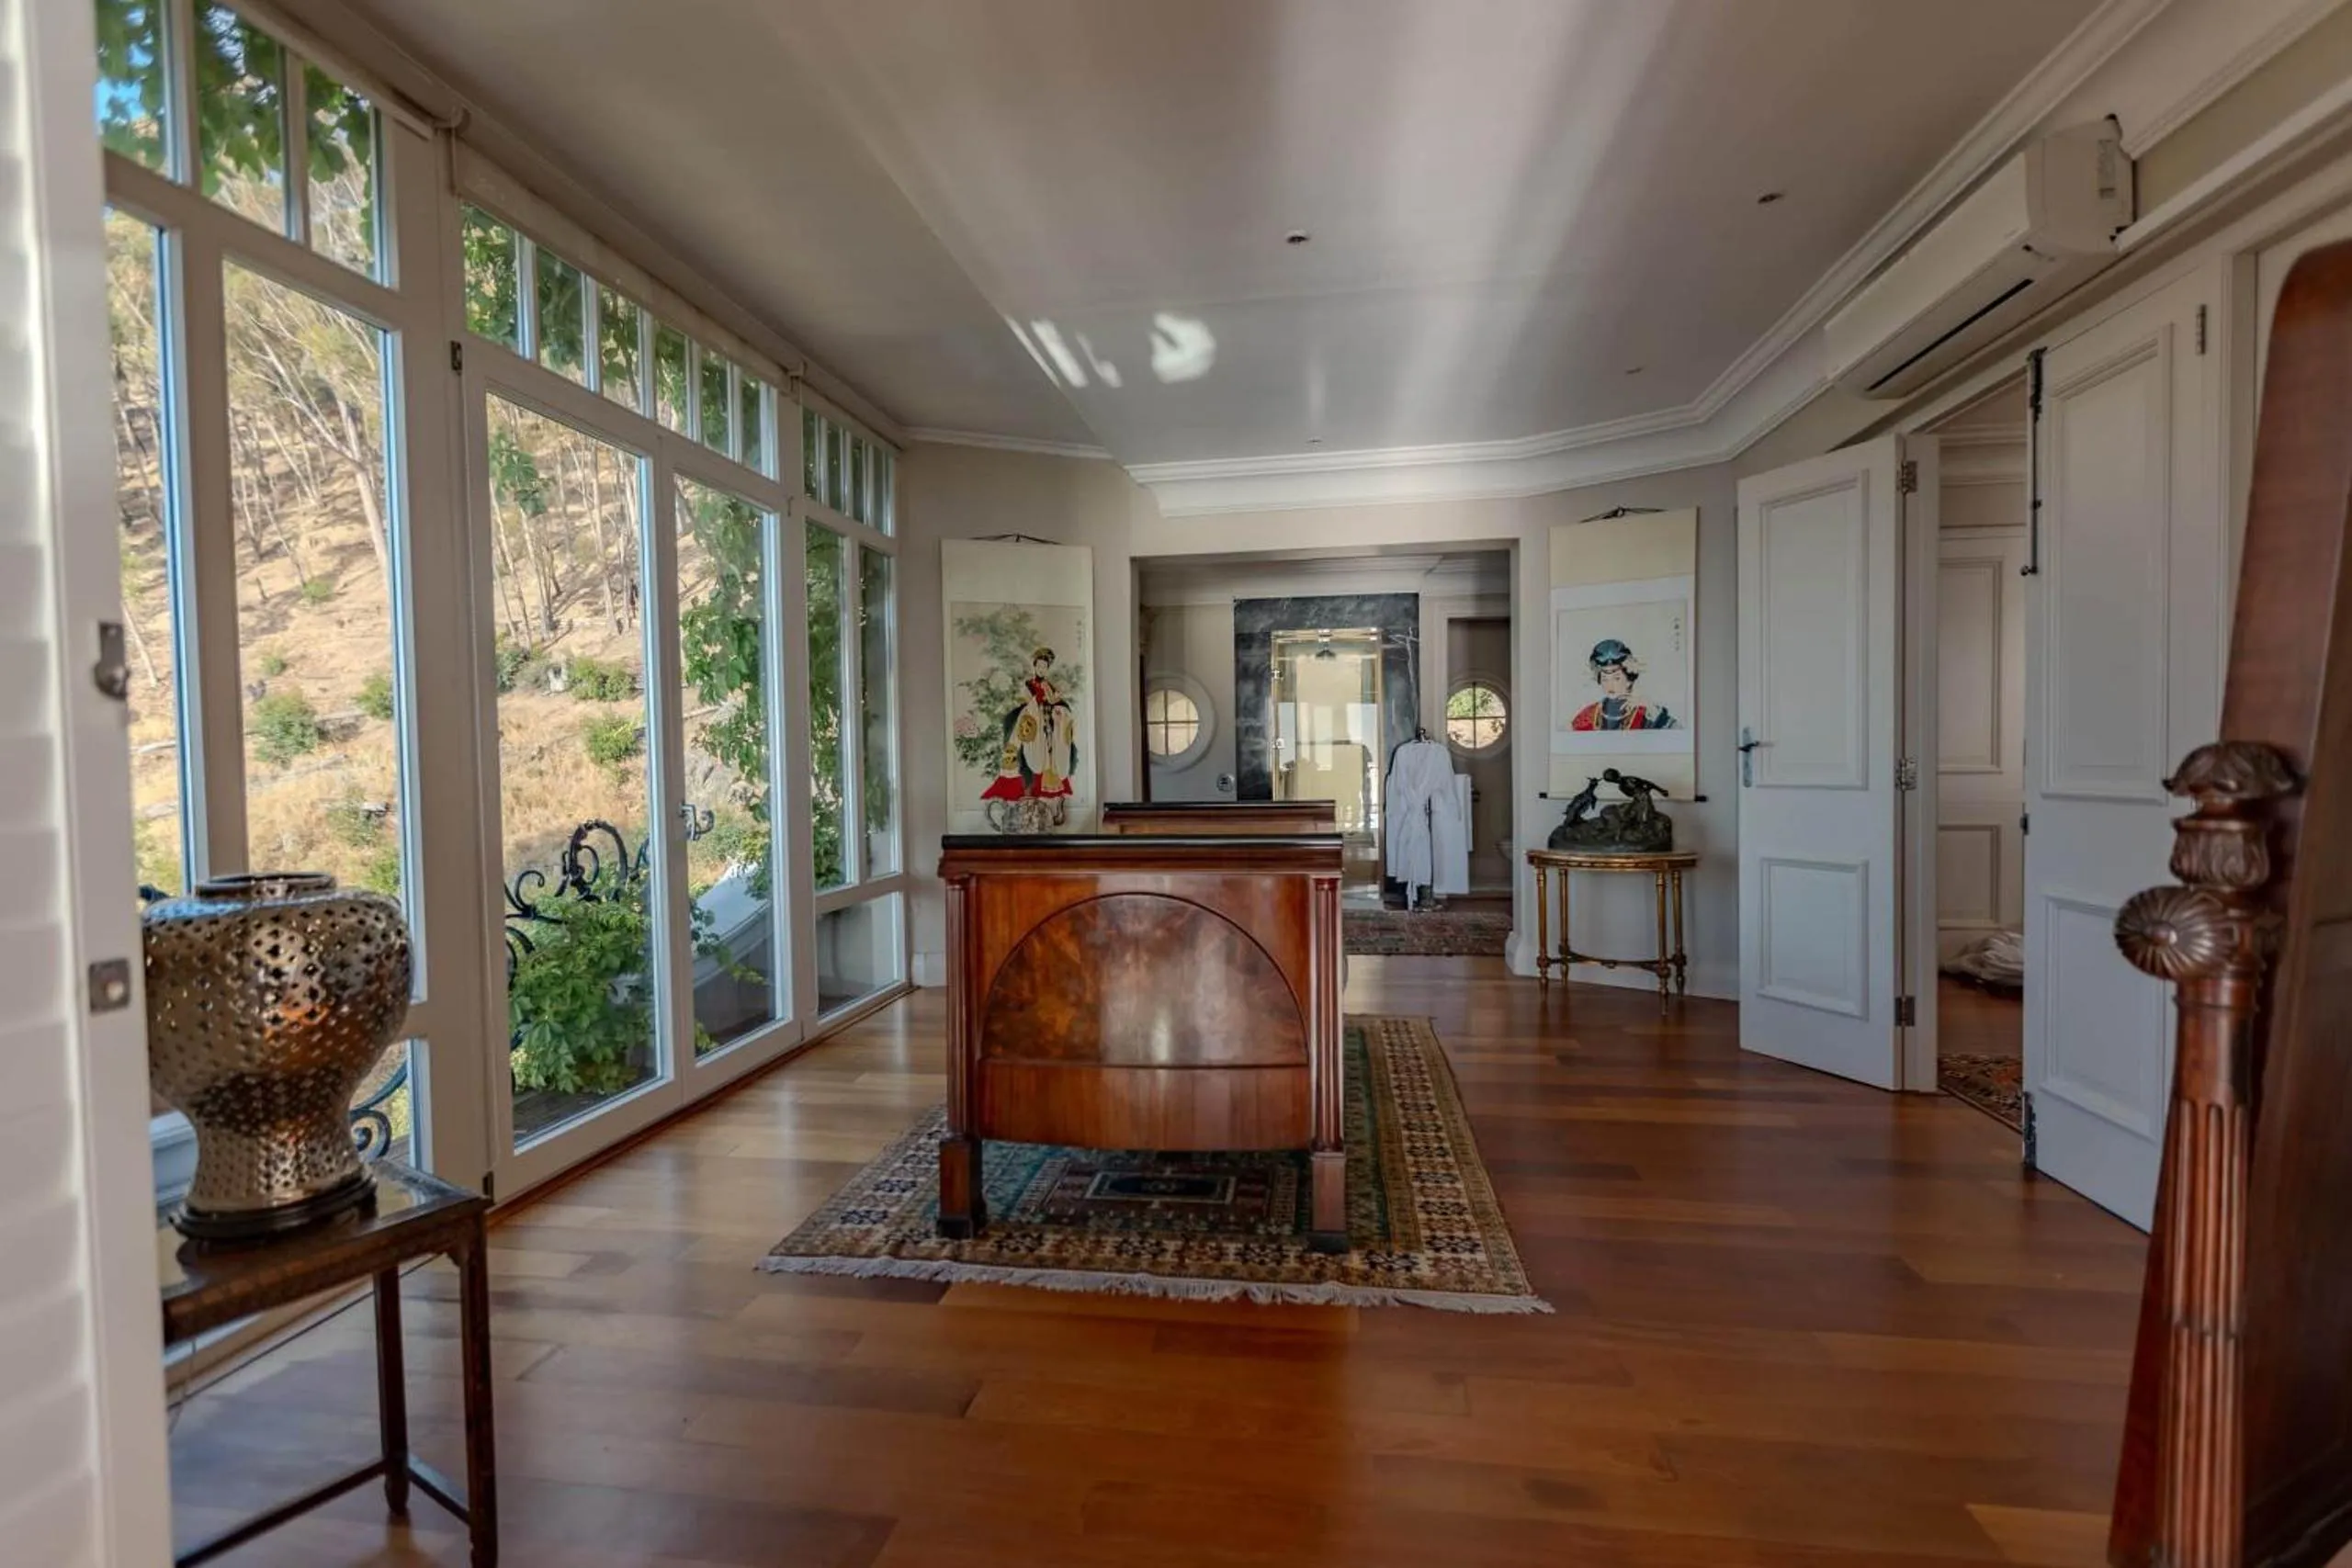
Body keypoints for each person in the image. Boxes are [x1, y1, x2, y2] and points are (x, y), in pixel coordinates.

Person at [980, 646, 1078, 802]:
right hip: (1033, 720)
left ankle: (1049, 790)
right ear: (1034, 666)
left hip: (1049, 722)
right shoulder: (1028, 684)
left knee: (1051, 752)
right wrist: (1040, 702)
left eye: (1044, 667)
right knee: (1026, 747)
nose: (1041, 669)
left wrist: (1058, 708)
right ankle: (1024, 787)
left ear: (1047, 669)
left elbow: (1055, 701)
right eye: (1039, 666)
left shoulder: (1049, 686)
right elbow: (1027, 700)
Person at [1570, 638, 1679, 731]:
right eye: (1604, 679)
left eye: (1616, 678)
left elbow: (1678, 735)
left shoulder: (1647, 712)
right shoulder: (1589, 714)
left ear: (1629, 679)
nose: (1610, 685)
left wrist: (1652, 710)